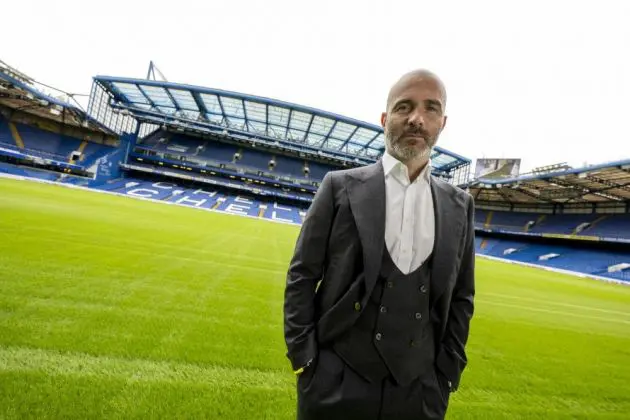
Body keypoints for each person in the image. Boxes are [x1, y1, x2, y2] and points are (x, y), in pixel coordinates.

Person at [283, 69, 475, 420]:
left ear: (442, 122)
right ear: (386, 119)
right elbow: (302, 275)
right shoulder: (338, 187)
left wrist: (448, 373)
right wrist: (304, 359)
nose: (417, 119)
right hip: (335, 381)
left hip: (420, 393)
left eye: (430, 109)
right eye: (405, 107)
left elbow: (462, 296)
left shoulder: (460, 205)